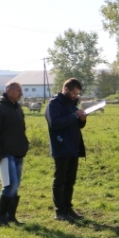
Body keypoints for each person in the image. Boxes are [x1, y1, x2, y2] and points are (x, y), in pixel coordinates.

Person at [0, 81, 29, 226]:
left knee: (15, 186)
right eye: (18, 90)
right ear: (9, 91)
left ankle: (11, 216)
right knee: (10, 185)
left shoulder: (17, 108)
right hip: (5, 154)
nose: (21, 93)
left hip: (18, 153)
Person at [45, 78, 88, 221]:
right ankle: (60, 211)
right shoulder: (54, 104)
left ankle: (69, 209)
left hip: (73, 147)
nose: (76, 96)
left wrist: (82, 119)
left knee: (70, 180)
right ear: (66, 89)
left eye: (77, 94)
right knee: (60, 181)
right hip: (61, 147)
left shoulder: (72, 104)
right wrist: (74, 115)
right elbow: (55, 124)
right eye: (74, 93)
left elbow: (76, 125)